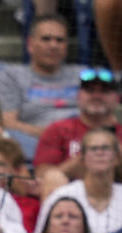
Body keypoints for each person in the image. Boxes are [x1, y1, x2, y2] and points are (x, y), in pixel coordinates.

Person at [33, 68, 122, 199]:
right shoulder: (58, 129)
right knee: (52, 176)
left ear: (117, 98)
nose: (96, 96)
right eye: (90, 91)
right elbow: (41, 177)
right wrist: (79, 162)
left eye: (104, 91)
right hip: (68, 202)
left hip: (116, 200)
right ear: (78, 95)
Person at [33, 128, 122, 233]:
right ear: (82, 159)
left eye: (106, 148)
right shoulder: (61, 196)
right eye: (93, 149)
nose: (99, 153)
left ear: (117, 158)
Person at [0, 14, 82, 140]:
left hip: (82, 145)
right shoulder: (12, 76)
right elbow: (8, 123)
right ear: (30, 44)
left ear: (66, 46)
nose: (53, 45)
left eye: (60, 40)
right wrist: (54, 135)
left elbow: (106, 119)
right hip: (32, 144)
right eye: (46, 39)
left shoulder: (83, 75)